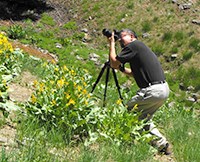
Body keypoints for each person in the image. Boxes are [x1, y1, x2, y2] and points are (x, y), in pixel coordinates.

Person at [108, 29, 171, 155]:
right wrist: (122, 69)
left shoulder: (133, 45)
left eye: (122, 37)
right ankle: (162, 144)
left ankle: (127, 144)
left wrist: (112, 43)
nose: (120, 40)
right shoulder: (139, 48)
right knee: (142, 118)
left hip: (153, 90)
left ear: (131, 36)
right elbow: (134, 73)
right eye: (118, 38)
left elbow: (114, 63)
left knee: (127, 113)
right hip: (162, 89)